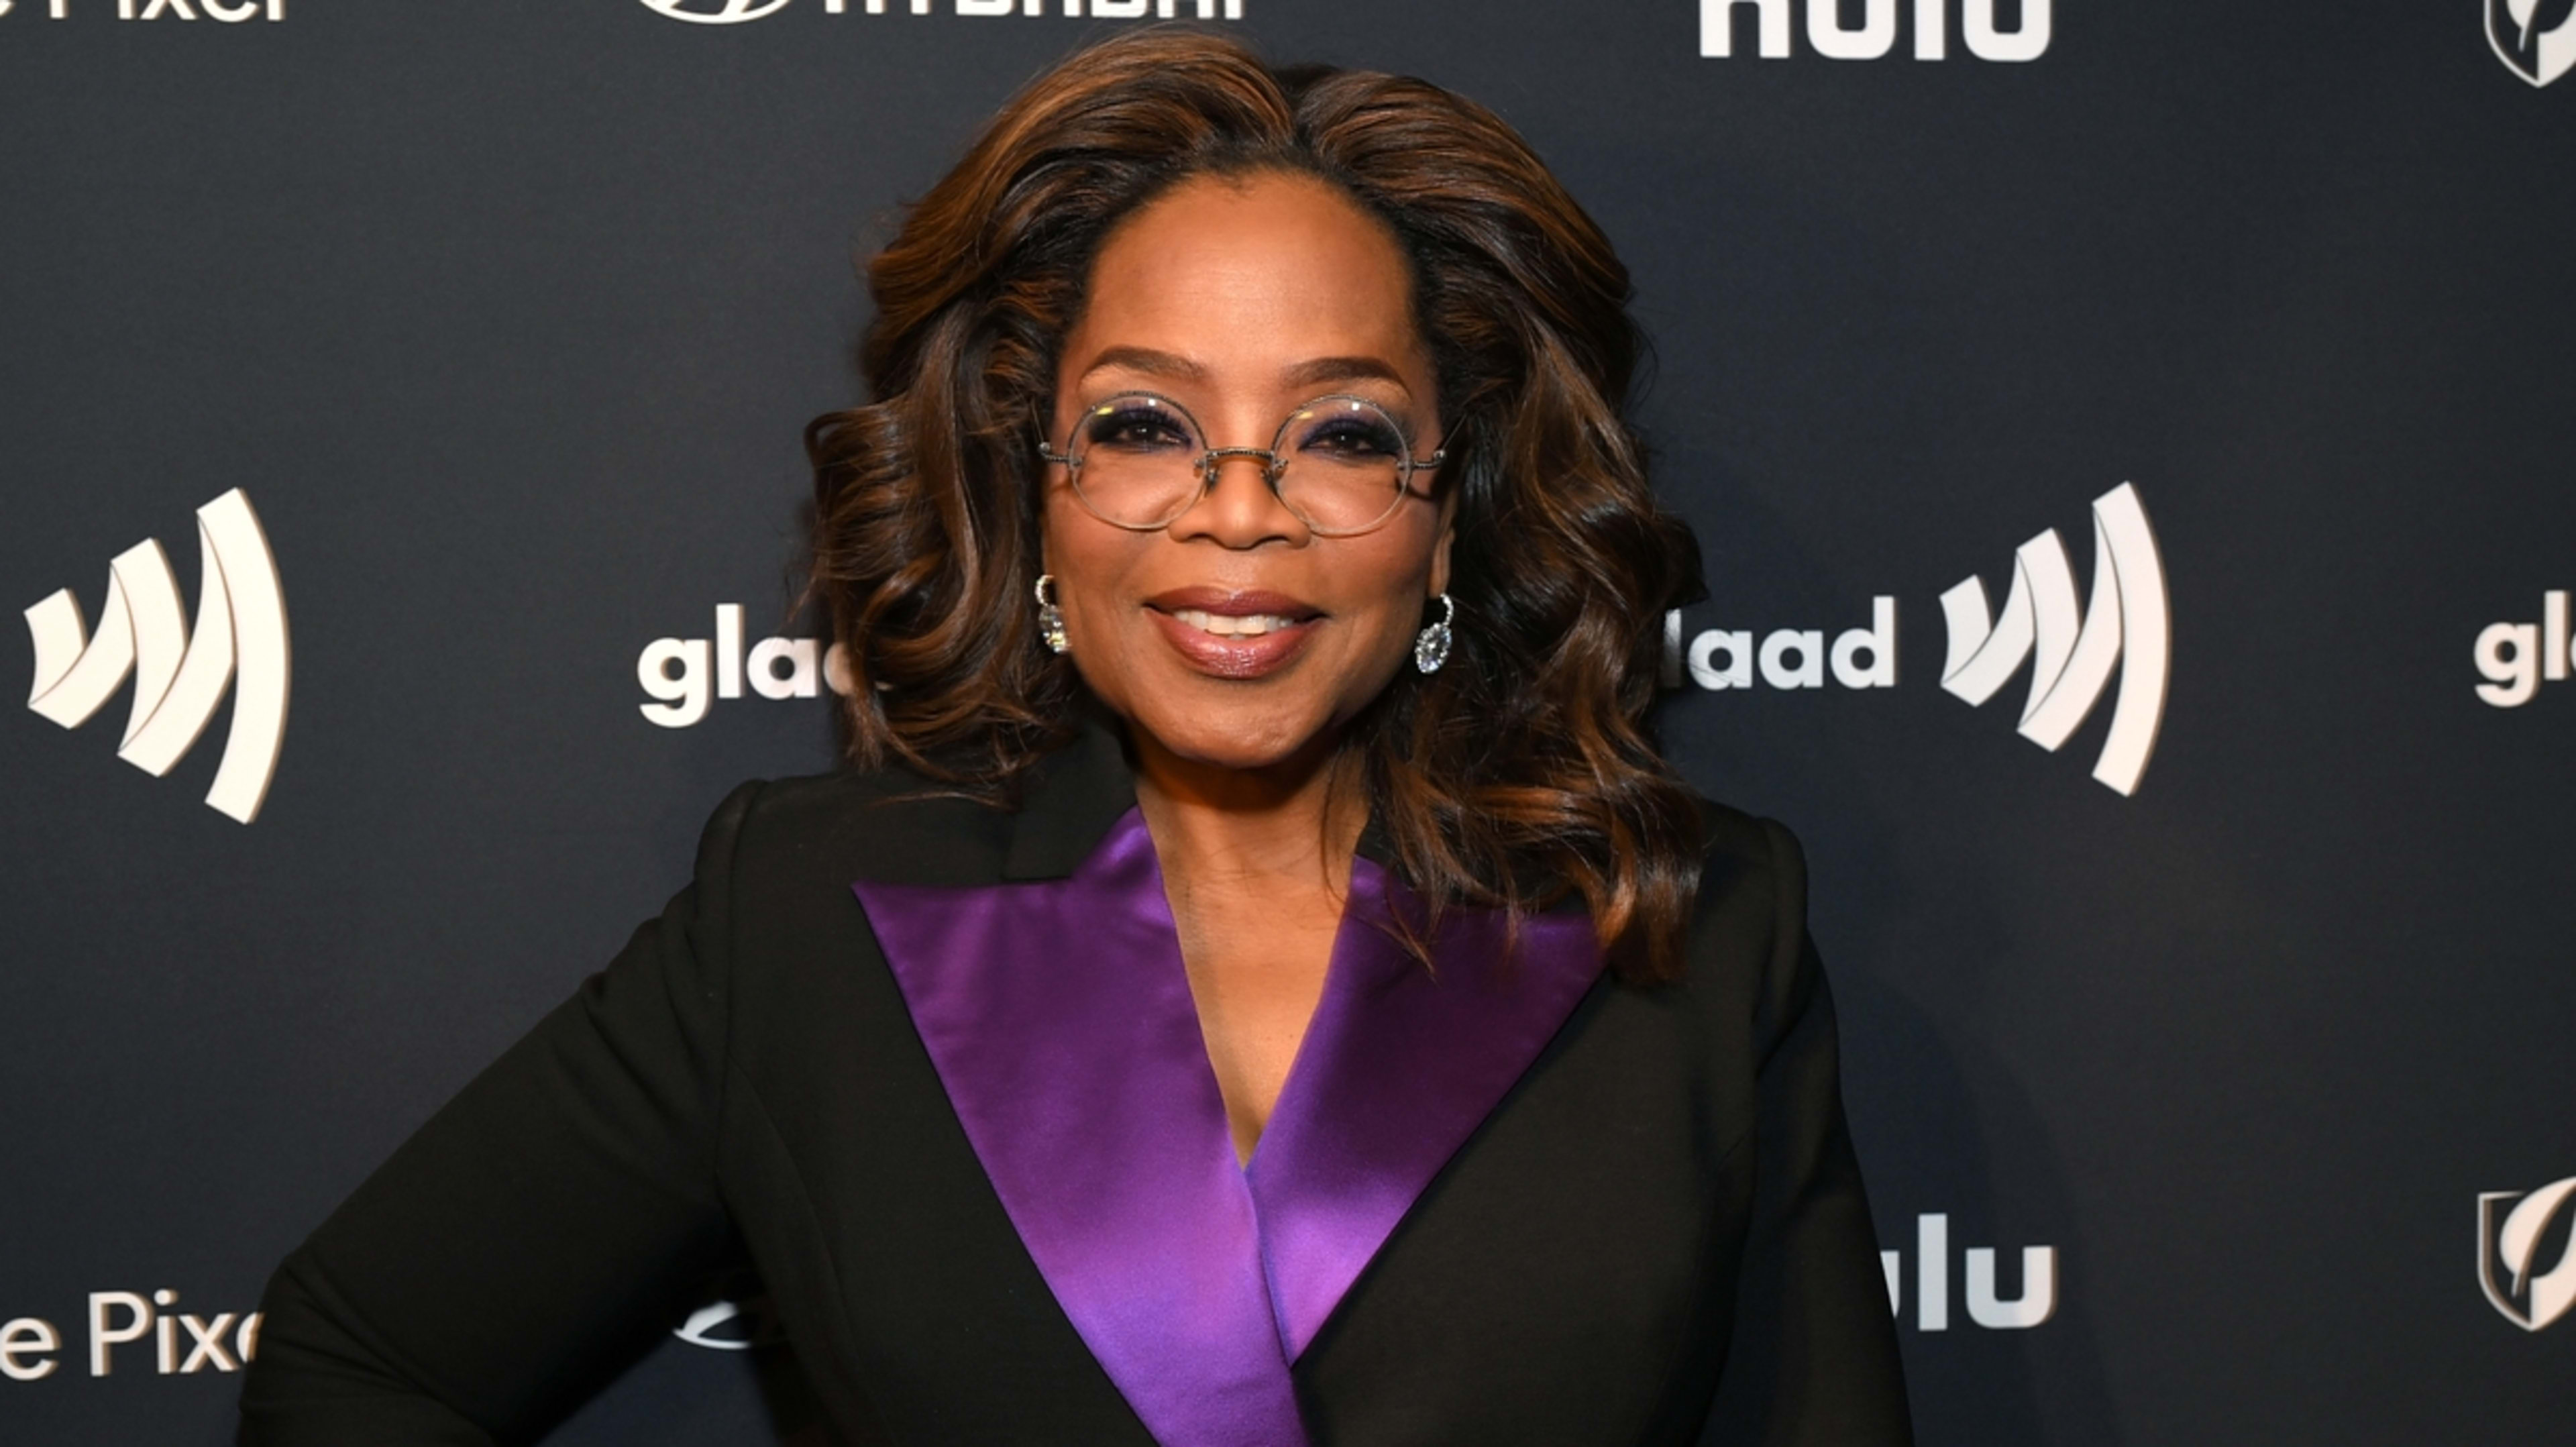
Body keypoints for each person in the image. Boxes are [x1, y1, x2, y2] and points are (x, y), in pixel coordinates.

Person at [237, 28, 1911, 1447]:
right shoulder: (810, 916)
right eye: (1141, 425)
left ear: (1449, 517)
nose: (1236, 513)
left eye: (1339, 432)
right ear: (1037, 487)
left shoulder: (1686, 927)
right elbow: (357, 1359)